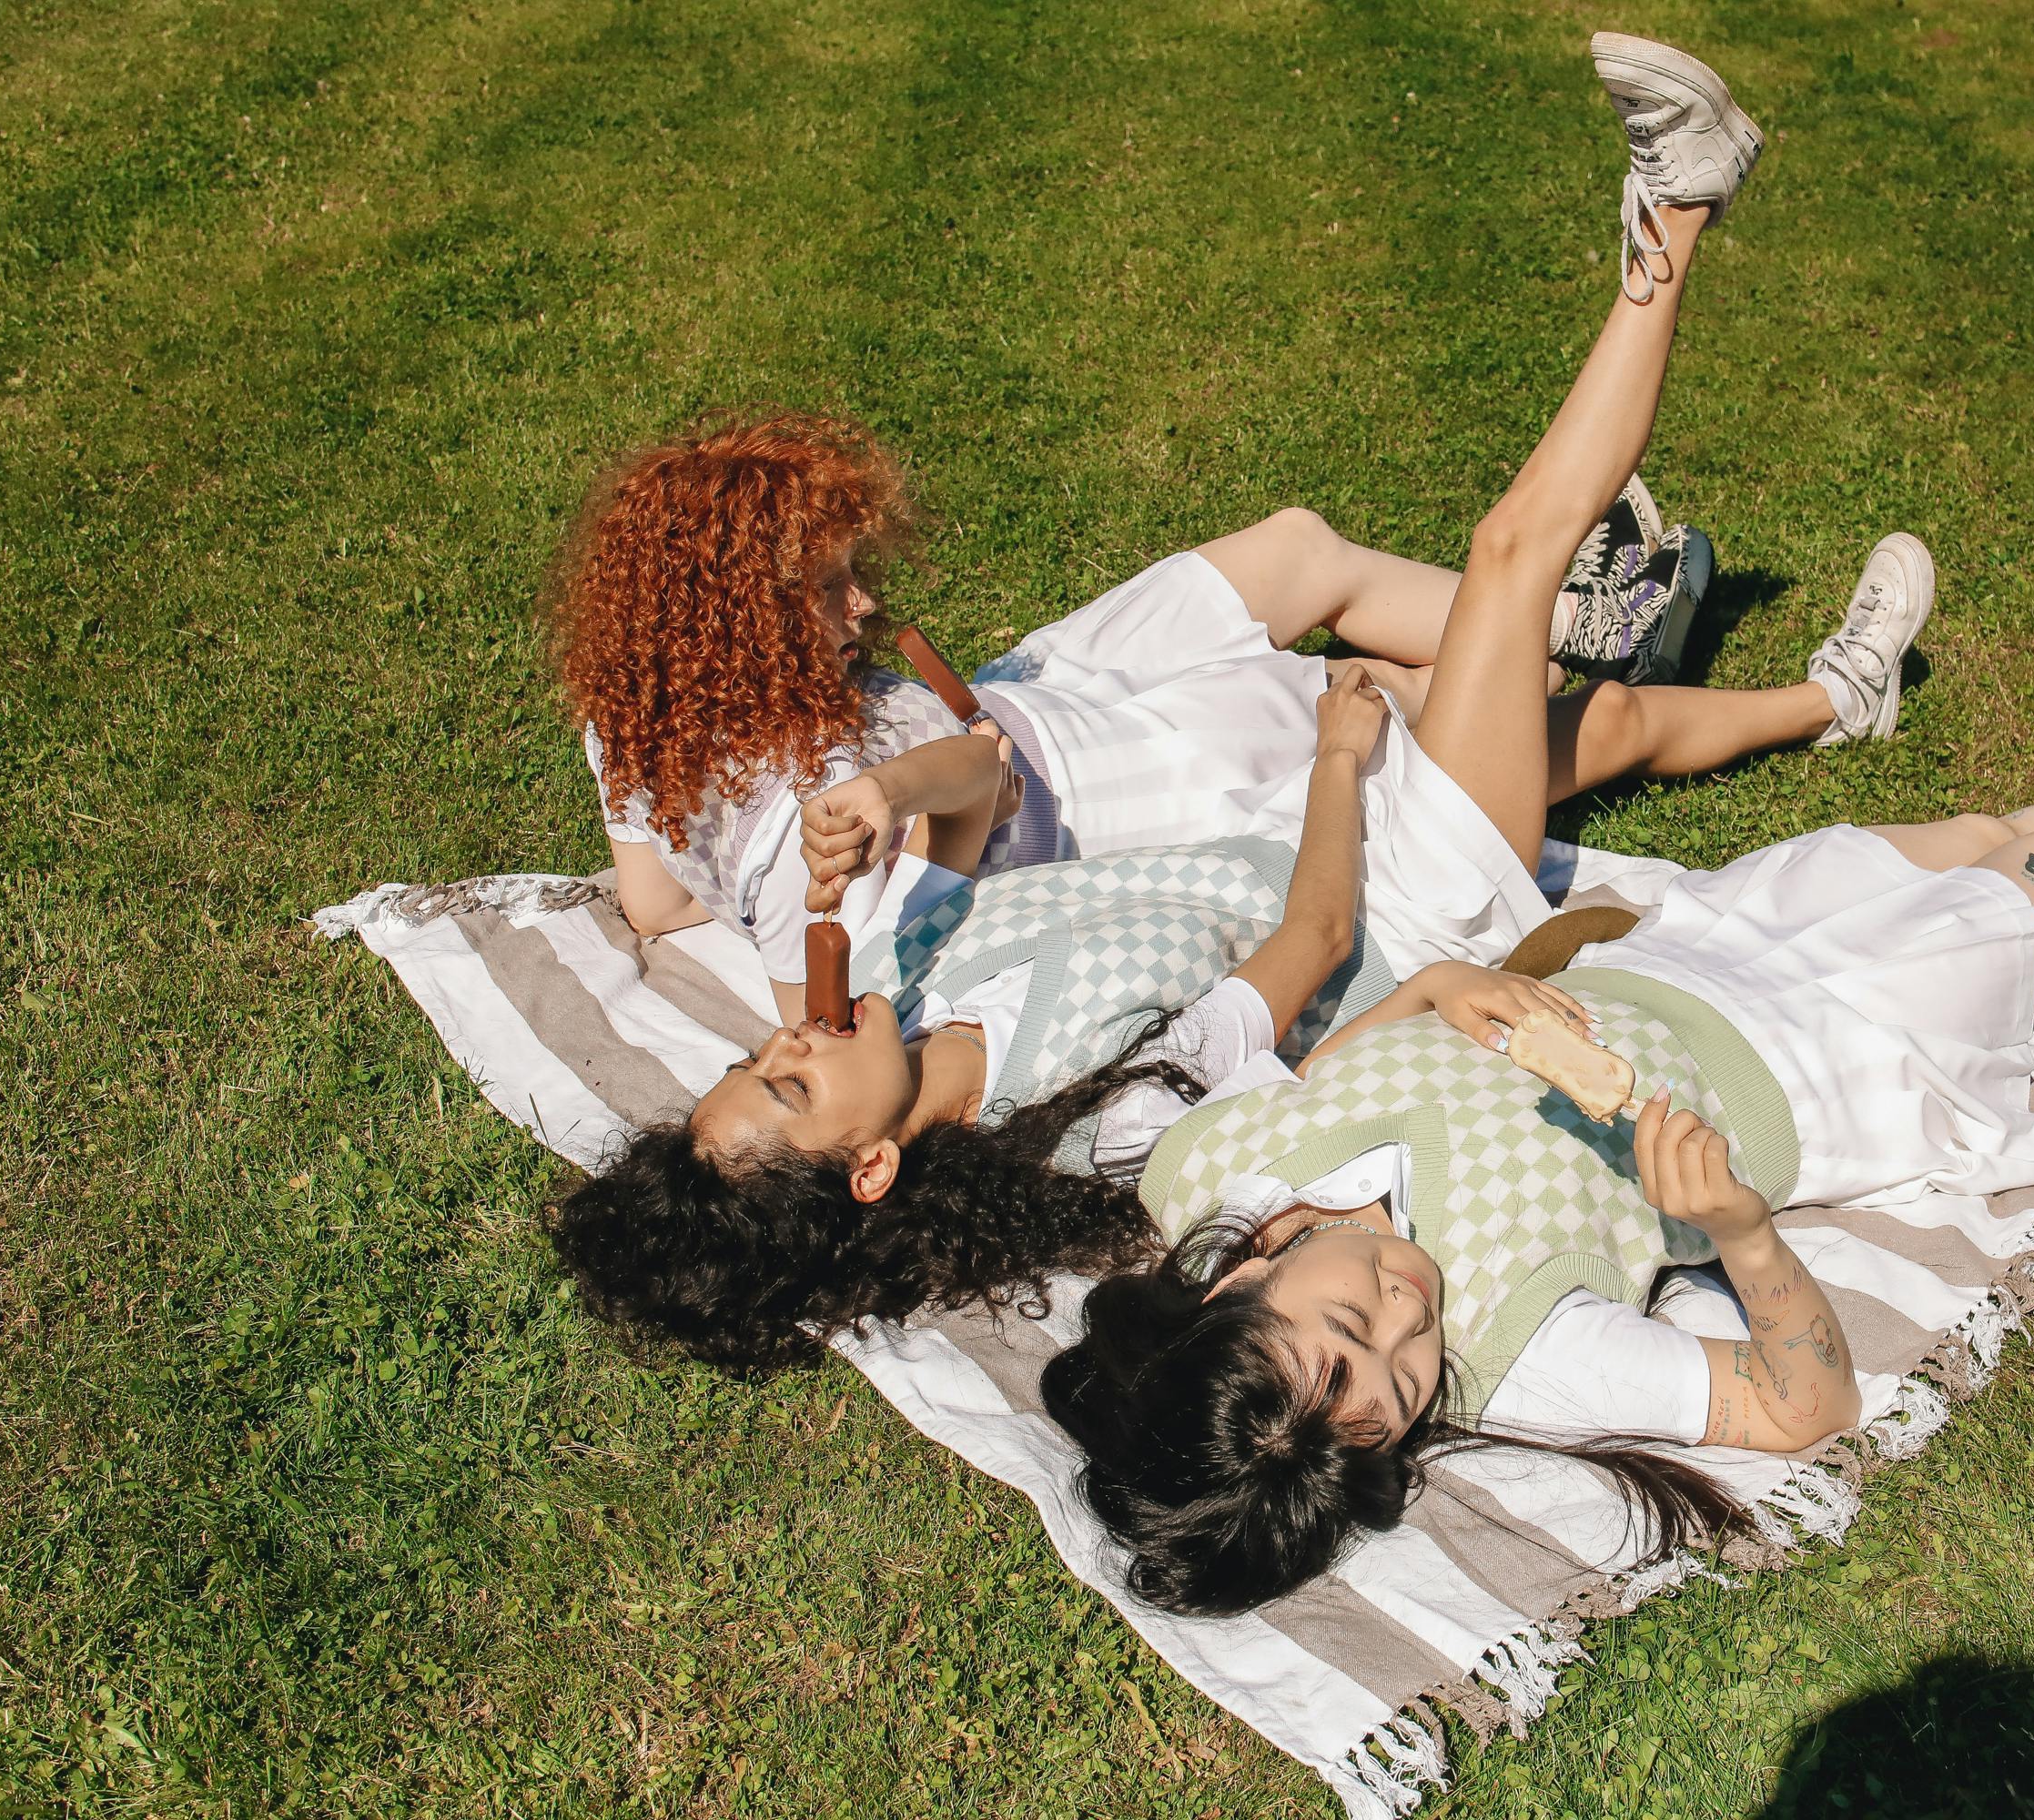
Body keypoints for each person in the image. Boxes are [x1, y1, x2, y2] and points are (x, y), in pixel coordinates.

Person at [1033, 35, 2034, 1617]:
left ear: (1236, 1283)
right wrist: (1732, 1226)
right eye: (1395, 1374)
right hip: (1834, 1057)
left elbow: (1358, 1026)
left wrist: (1449, 993)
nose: (1404, 1312)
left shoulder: (1204, 1168)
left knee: (1998, 825)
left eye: (1342, 1325)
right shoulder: (1525, 1354)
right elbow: (1803, 1407)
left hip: (1699, 948)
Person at [544, 33, 1947, 1376]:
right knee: (1517, 547)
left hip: (1326, 823)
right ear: (869, 1168)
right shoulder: (1094, 1114)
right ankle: (1677, 212)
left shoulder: (906, 977)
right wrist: (1342, 756)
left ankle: (1834, 698)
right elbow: (1321, 938)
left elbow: (974, 789)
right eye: (787, 1082)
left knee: (1600, 721)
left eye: (754, 1052)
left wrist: (891, 796)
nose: (786, 1035)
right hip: (1405, 896)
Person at [549, 415, 1925, 1031]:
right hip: (1129, 794)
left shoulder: (638, 713)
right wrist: (894, 810)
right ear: (730, 622)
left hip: (1050, 694)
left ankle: (1583, 620)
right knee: (1561, 727)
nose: (864, 607)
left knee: (1293, 553)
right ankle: (1826, 701)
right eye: (828, 589)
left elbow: (656, 904)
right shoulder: (821, 851)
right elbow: (886, 922)